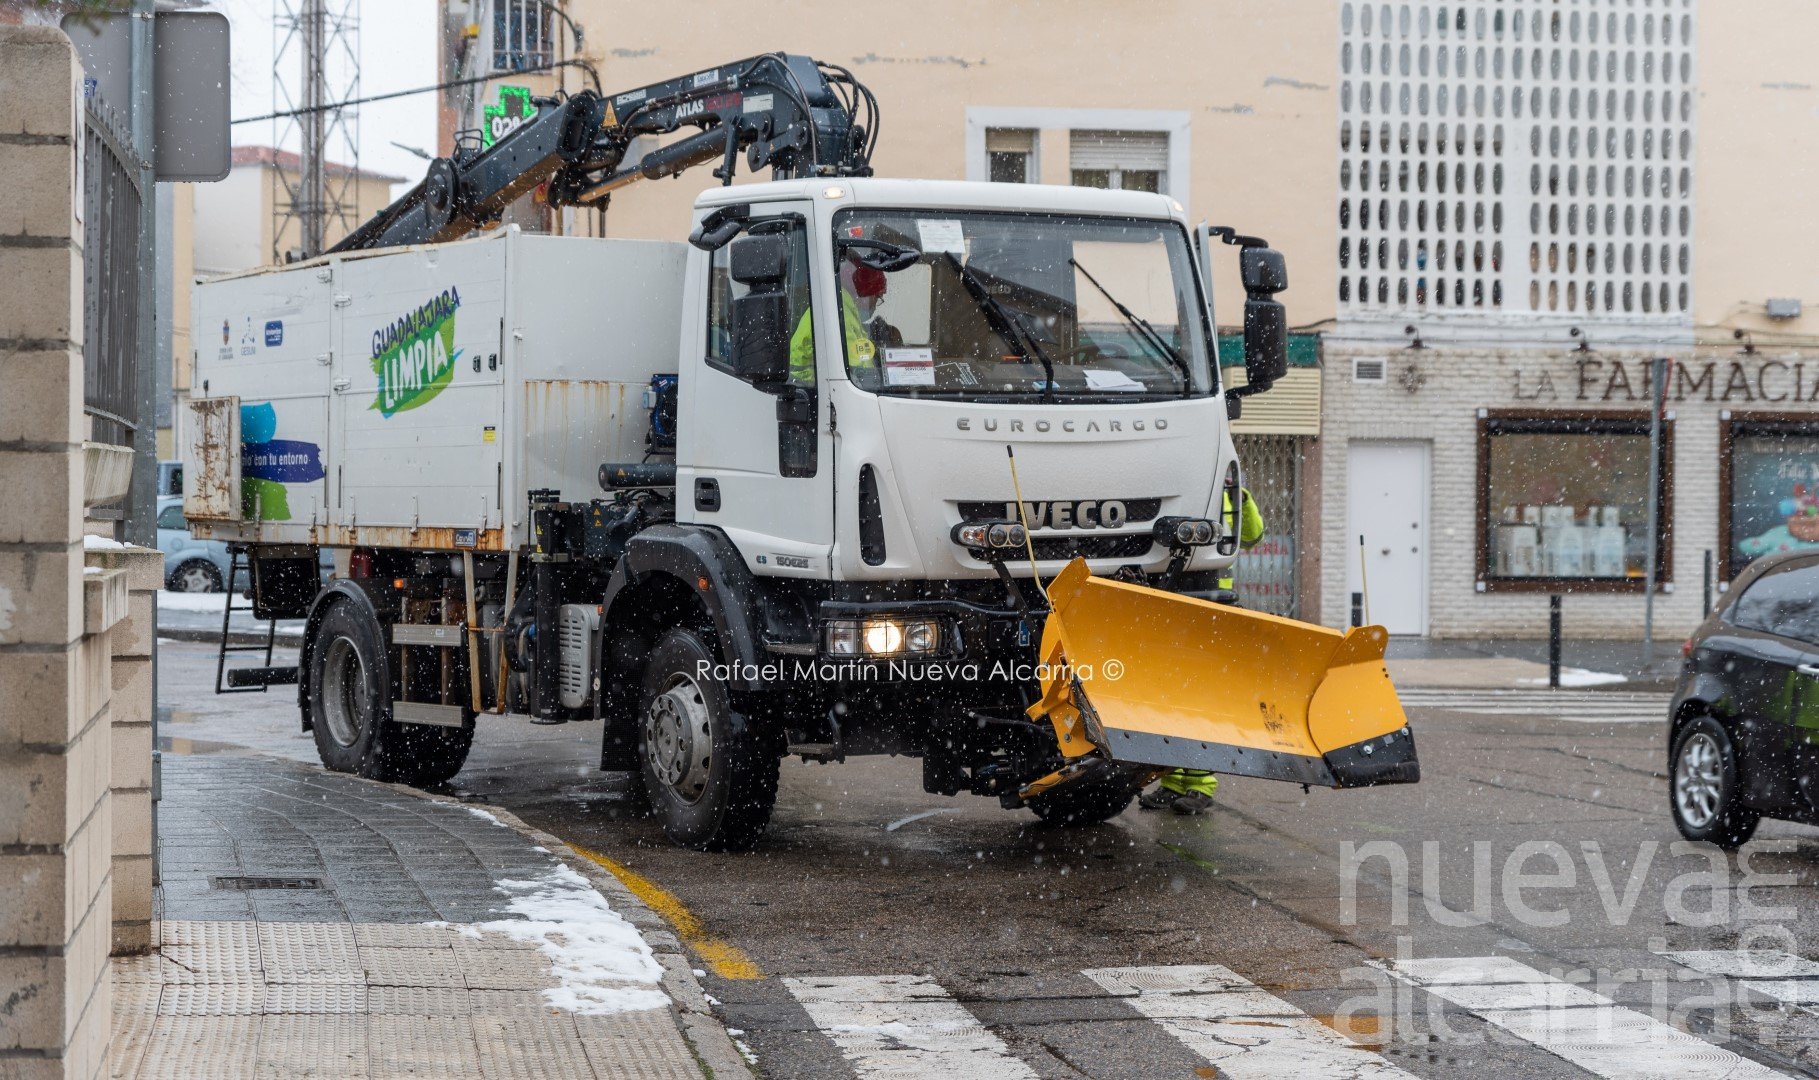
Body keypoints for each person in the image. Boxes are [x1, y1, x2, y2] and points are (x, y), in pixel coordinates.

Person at [1139, 486, 1266, 815]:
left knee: (1196, 696)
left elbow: (1252, 537)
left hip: (1210, 604)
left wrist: (1241, 499)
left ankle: (1200, 784)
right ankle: (1172, 781)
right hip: (1175, 597)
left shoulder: (1228, 493)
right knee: (1170, 694)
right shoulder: (1180, 487)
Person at [788, 257, 894, 385]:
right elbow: (857, 372)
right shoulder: (839, 315)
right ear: (864, 293)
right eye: (876, 297)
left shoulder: (843, 310)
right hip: (808, 387)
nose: (875, 305)